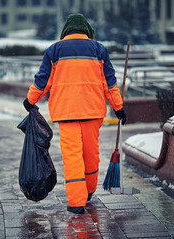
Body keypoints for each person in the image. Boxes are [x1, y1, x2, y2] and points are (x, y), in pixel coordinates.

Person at [23, 13, 127, 214]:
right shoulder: (99, 50)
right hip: (92, 111)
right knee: (91, 153)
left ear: (66, 32)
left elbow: (42, 81)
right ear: (87, 31)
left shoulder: (54, 50)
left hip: (66, 112)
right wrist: (118, 107)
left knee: (72, 156)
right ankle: (88, 191)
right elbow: (110, 84)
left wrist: (30, 100)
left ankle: (76, 201)